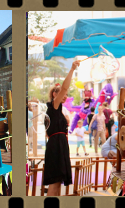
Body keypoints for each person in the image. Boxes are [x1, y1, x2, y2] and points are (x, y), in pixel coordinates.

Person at [44, 61, 82, 196]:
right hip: (56, 146)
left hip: (60, 145)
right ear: (55, 94)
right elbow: (65, 88)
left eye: (65, 95)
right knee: (55, 183)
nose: (66, 96)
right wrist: (72, 69)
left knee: (58, 183)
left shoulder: (58, 110)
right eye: (63, 94)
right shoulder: (53, 107)